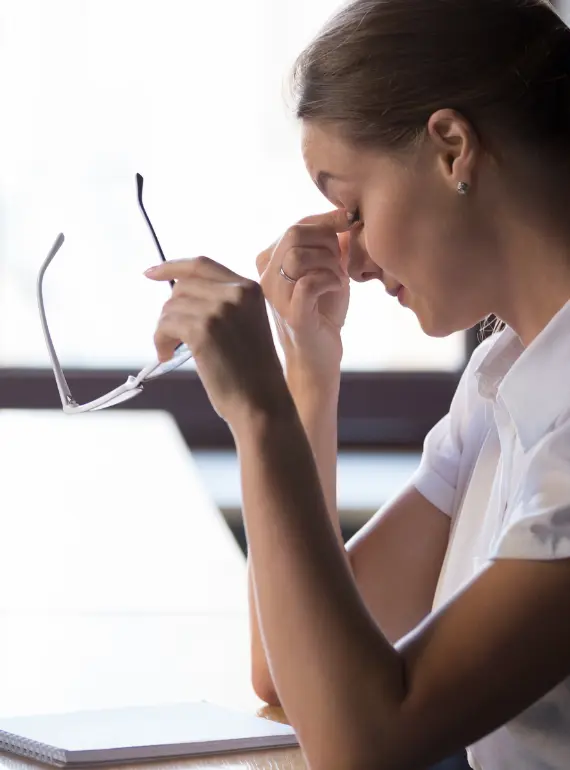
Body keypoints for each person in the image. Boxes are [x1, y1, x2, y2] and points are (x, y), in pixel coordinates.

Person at [143, 0, 570, 767]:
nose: (354, 258)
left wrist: (261, 414)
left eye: (354, 207)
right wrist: (309, 372)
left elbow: (362, 741)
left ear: (451, 148)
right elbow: (286, 671)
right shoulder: (502, 380)